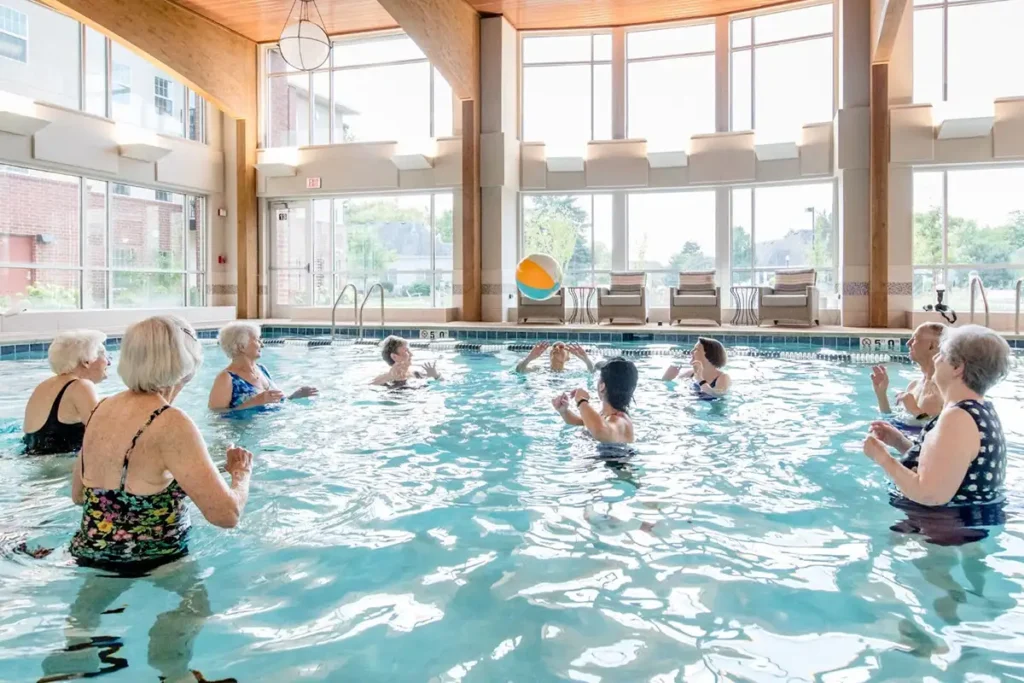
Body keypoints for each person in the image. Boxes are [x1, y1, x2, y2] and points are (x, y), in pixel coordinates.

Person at [56, 316, 254, 680]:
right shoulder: (171, 421)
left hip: (90, 552)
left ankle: (78, 652)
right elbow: (226, 515)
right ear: (186, 366)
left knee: (81, 625)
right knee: (196, 607)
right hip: (159, 557)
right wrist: (240, 475)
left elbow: (78, 494)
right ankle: (171, 669)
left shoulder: (100, 410)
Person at [863, 324, 1010, 508]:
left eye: (942, 355)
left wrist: (882, 457)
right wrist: (900, 442)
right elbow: (945, 463)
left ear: (957, 367)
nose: (936, 360)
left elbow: (930, 495)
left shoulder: (958, 418)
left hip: (944, 530)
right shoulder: (979, 409)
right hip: (957, 528)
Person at [23, 330, 108, 455]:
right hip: (58, 469)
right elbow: (104, 435)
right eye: (105, 356)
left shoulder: (43, 386)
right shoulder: (81, 386)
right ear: (86, 361)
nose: (109, 362)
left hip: (32, 461)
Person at [208, 321, 318, 412]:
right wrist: (254, 402)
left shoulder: (261, 369)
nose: (262, 344)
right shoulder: (226, 378)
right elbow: (216, 416)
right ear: (242, 346)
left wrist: (294, 397)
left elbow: (271, 403)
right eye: (257, 340)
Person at [871, 322, 945, 432]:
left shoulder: (943, 391)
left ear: (932, 346)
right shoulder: (913, 386)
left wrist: (915, 411)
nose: (908, 343)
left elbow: (939, 431)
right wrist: (881, 394)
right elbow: (894, 423)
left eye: (915, 339)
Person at [552, 357, 637, 443]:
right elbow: (582, 422)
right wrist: (564, 411)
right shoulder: (605, 415)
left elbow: (600, 431)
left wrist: (582, 401)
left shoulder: (621, 421)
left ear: (602, 386)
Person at [662, 337, 731, 398]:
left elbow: (717, 395)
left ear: (708, 355)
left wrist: (700, 379)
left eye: (696, 349)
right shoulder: (690, 374)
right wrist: (667, 378)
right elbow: (669, 389)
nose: (691, 352)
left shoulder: (723, 378)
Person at [373, 335, 442, 385]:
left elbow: (442, 382)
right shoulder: (381, 381)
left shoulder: (417, 375)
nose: (411, 354)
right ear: (394, 357)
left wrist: (435, 376)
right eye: (406, 351)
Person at [516, 341, 595, 373]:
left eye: (561, 347)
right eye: (554, 347)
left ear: (567, 358)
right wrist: (529, 358)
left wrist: (585, 359)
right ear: (550, 355)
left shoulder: (571, 372)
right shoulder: (540, 370)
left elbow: (592, 371)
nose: (557, 348)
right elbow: (519, 370)